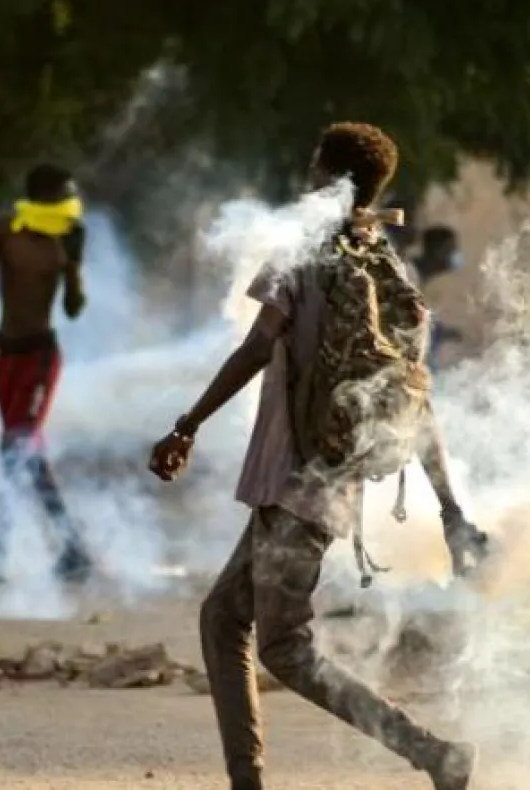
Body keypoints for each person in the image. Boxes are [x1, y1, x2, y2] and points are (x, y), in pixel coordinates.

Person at [148, 123, 479, 790]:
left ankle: (432, 753)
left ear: (328, 179)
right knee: (221, 619)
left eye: (312, 169)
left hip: (293, 483)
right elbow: (417, 403)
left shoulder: (301, 251)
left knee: (285, 649)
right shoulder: (387, 267)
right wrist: (450, 509)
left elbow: (253, 349)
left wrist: (187, 425)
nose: (303, 181)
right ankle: (248, 781)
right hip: (326, 483)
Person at [0, 163, 95, 584]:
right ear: (40, 197)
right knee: (24, 454)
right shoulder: (4, 229)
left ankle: (0, 553)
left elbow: (74, 309)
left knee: (16, 449)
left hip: (42, 355)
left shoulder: (68, 235)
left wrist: (74, 266)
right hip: (8, 355)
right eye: (64, 195)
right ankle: (72, 547)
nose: (71, 204)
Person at [414, 225, 466, 370]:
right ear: (438, 251)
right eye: (452, 249)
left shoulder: (421, 279)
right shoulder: (409, 275)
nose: (456, 254)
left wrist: (442, 332)